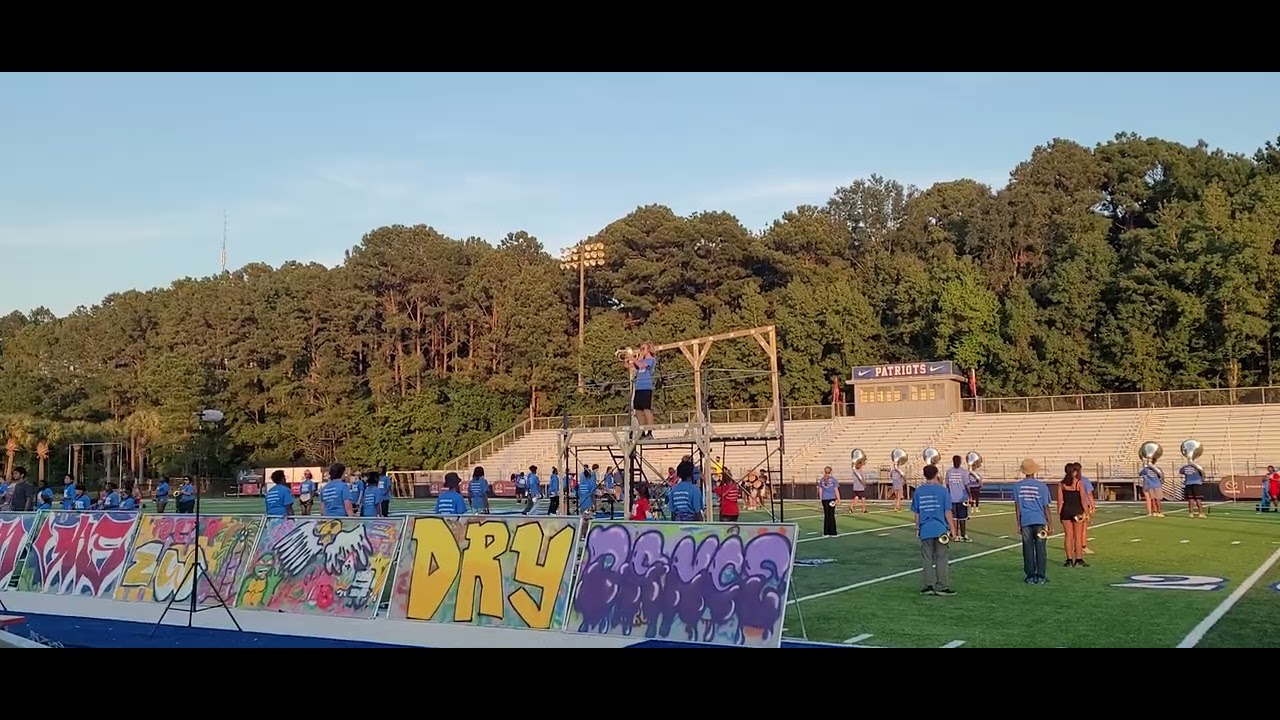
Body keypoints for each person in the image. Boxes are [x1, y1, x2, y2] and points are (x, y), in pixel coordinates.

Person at [912, 464, 956, 596]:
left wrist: (918, 528)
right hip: (940, 529)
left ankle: (928, 586)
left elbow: (917, 513)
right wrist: (953, 529)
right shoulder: (943, 491)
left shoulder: (918, 491)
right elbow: (947, 512)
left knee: (927, 558)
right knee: (941, 557)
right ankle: (942, 585)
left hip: (925, 529)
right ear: (936, 474)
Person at [1014, 458, 1053, 585]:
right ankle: (1041, 575)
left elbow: (1018, 507)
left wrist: (1018, 523)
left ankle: (1030, 575)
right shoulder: (1042, 486)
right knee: (1041, 549)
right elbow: (1045, 506)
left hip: (1025, 520)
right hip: (1040, 520)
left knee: (1028, 549)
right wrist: (1050, 523)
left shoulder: (1017, 486)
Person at [625, 342, 658, 438]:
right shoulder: (640, 359)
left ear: (649, 349)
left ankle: (650, 432)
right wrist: (628, 359)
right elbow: (629, 366)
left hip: (646, 386)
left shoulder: (651, 360)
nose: (641, 350)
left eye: (643, 349)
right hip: (638, 387)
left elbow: (641, 366)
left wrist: (634, 358)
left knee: (646, 409)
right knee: (638, 410)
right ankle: (642, 431)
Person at [1058, 464, 1087, 568]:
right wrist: (1086, 513)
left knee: (1068, 536)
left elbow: (1060, 501)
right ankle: (1078, 559)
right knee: (1077, 536)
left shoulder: (1061, 484)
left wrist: (1060, 514)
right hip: (1077, 511)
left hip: (1066, 511)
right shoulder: (1079, 483)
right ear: (1074, 472)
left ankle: (1069, 560)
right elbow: (1083, 500)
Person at [944, 455, 972, 542]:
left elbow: (948, 485)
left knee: (957, 518)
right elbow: (967, 485)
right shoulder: (964, 472)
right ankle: (961, 535)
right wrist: (970, 496)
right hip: (961, 498)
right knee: (960, 518)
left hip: (954, 497)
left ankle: (957, 535)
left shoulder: (949, 472)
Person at [817, 466, 840, 537]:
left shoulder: (821, 480)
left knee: (826, 515)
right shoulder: (833, 480)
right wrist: (838, 498)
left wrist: (821, 499)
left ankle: (826, 532)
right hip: (831, 499)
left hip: (825, 499)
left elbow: (820, 490)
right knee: (831, 515)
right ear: (831, 471)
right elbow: (836, 490)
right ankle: (832, 532)